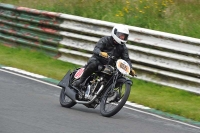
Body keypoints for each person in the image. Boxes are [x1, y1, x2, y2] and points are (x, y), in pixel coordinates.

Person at [73, 24, 136, 88]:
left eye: (124, 36)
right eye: (121, 35)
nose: (122, 38)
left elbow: (126, 59)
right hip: (99, 62)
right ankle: (80, 81)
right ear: (115, 32)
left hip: (110, 67)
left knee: (118, 75)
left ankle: (109, 93)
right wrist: (100, 53)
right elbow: (96, 49)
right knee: (93, 63)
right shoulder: (105, 39)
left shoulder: (123, 47)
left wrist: (130, 69)